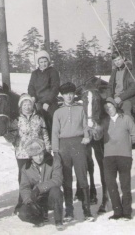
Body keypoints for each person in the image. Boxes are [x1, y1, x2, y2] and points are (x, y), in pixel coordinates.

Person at [52, 82, 94, 222]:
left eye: (71, 93)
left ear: (74, 95)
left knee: (82, 176)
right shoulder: (58, 112)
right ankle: (69, 211)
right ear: (62, 96)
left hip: (78, 144)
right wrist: (56, 150)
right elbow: (55, 132)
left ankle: (86, 211)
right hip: (64, 146)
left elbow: (85, 126)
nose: (69, 96)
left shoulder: (80, 108)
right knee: (67, 179)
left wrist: (87, 136)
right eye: (66, 94)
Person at [3, 93, 51, 214]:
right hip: (22, 153)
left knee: (38, 178)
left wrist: (48, 147)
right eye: (24, 104)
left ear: (32, 105)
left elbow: (45, 133)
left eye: (29, 104)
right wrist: (5, 133)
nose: (27, 106)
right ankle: (22, 202)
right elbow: (12, 137)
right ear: (21, 106)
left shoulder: (39, 118)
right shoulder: (17, 120)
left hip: (37, 153)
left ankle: (39, 202)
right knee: (23, 179)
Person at [92, 97, 135, 220]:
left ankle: (127, 212)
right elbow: (97, 137)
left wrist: (126, 146)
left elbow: (134, 134)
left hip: (124, 157)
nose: (108, 110)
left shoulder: (126, 119)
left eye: (109, 107)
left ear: (115, 106)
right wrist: (96, 130)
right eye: (106, 109)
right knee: (111, 185)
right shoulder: (104, 121)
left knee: (125, 185)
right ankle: (117, 212)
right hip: (109, 158)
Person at [18, 139, 64, 231]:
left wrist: (39, 188)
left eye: (40, 154)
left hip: (51, 197)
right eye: (35, 155)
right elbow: (24, 187)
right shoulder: (26, 168)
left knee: (56, 191)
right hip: (37, 199)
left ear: (44, 152)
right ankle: (39, 220)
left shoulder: (54, 162)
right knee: (23, 213)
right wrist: (28, 200)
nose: (39, 157)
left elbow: (57, 180)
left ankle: (58, 220)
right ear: (31, 156)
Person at [28, 50, 60, 138]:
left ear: (48, 61)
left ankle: (54, 138)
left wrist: (47, 102)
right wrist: (33, 96)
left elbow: (55, 88)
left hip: (50, 101)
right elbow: (31, 87)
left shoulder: (53, 71)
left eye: (45, 61)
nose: (43, 64)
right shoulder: (34, 73)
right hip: (37, 101)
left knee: (53, 119)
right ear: (38, 62)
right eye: (41, 62)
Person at [106, 50, 135, 117]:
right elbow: (109, 87)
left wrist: (121, 97)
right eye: (115, 61)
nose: (117, 62)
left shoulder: (130, 70)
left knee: (126, 109)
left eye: (119, 59)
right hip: (114, 98)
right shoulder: (114, 72)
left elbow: (133, 87)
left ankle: (129, 126)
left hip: (127, 98)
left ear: (123, 58)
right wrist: (108, 98)